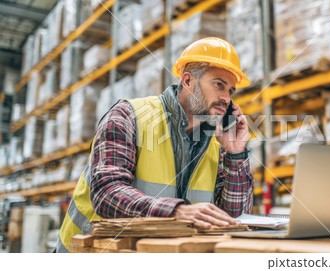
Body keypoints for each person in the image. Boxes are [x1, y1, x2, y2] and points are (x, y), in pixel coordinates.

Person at [56, 37, 255, 252]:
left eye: (231, 91)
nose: (226, 98)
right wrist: (175, 211)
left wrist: (236, 154)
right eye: (219, 85)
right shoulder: (128, 116)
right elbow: (107, 193)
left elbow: (234, 220)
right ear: (187, 81)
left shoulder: (217, 144)